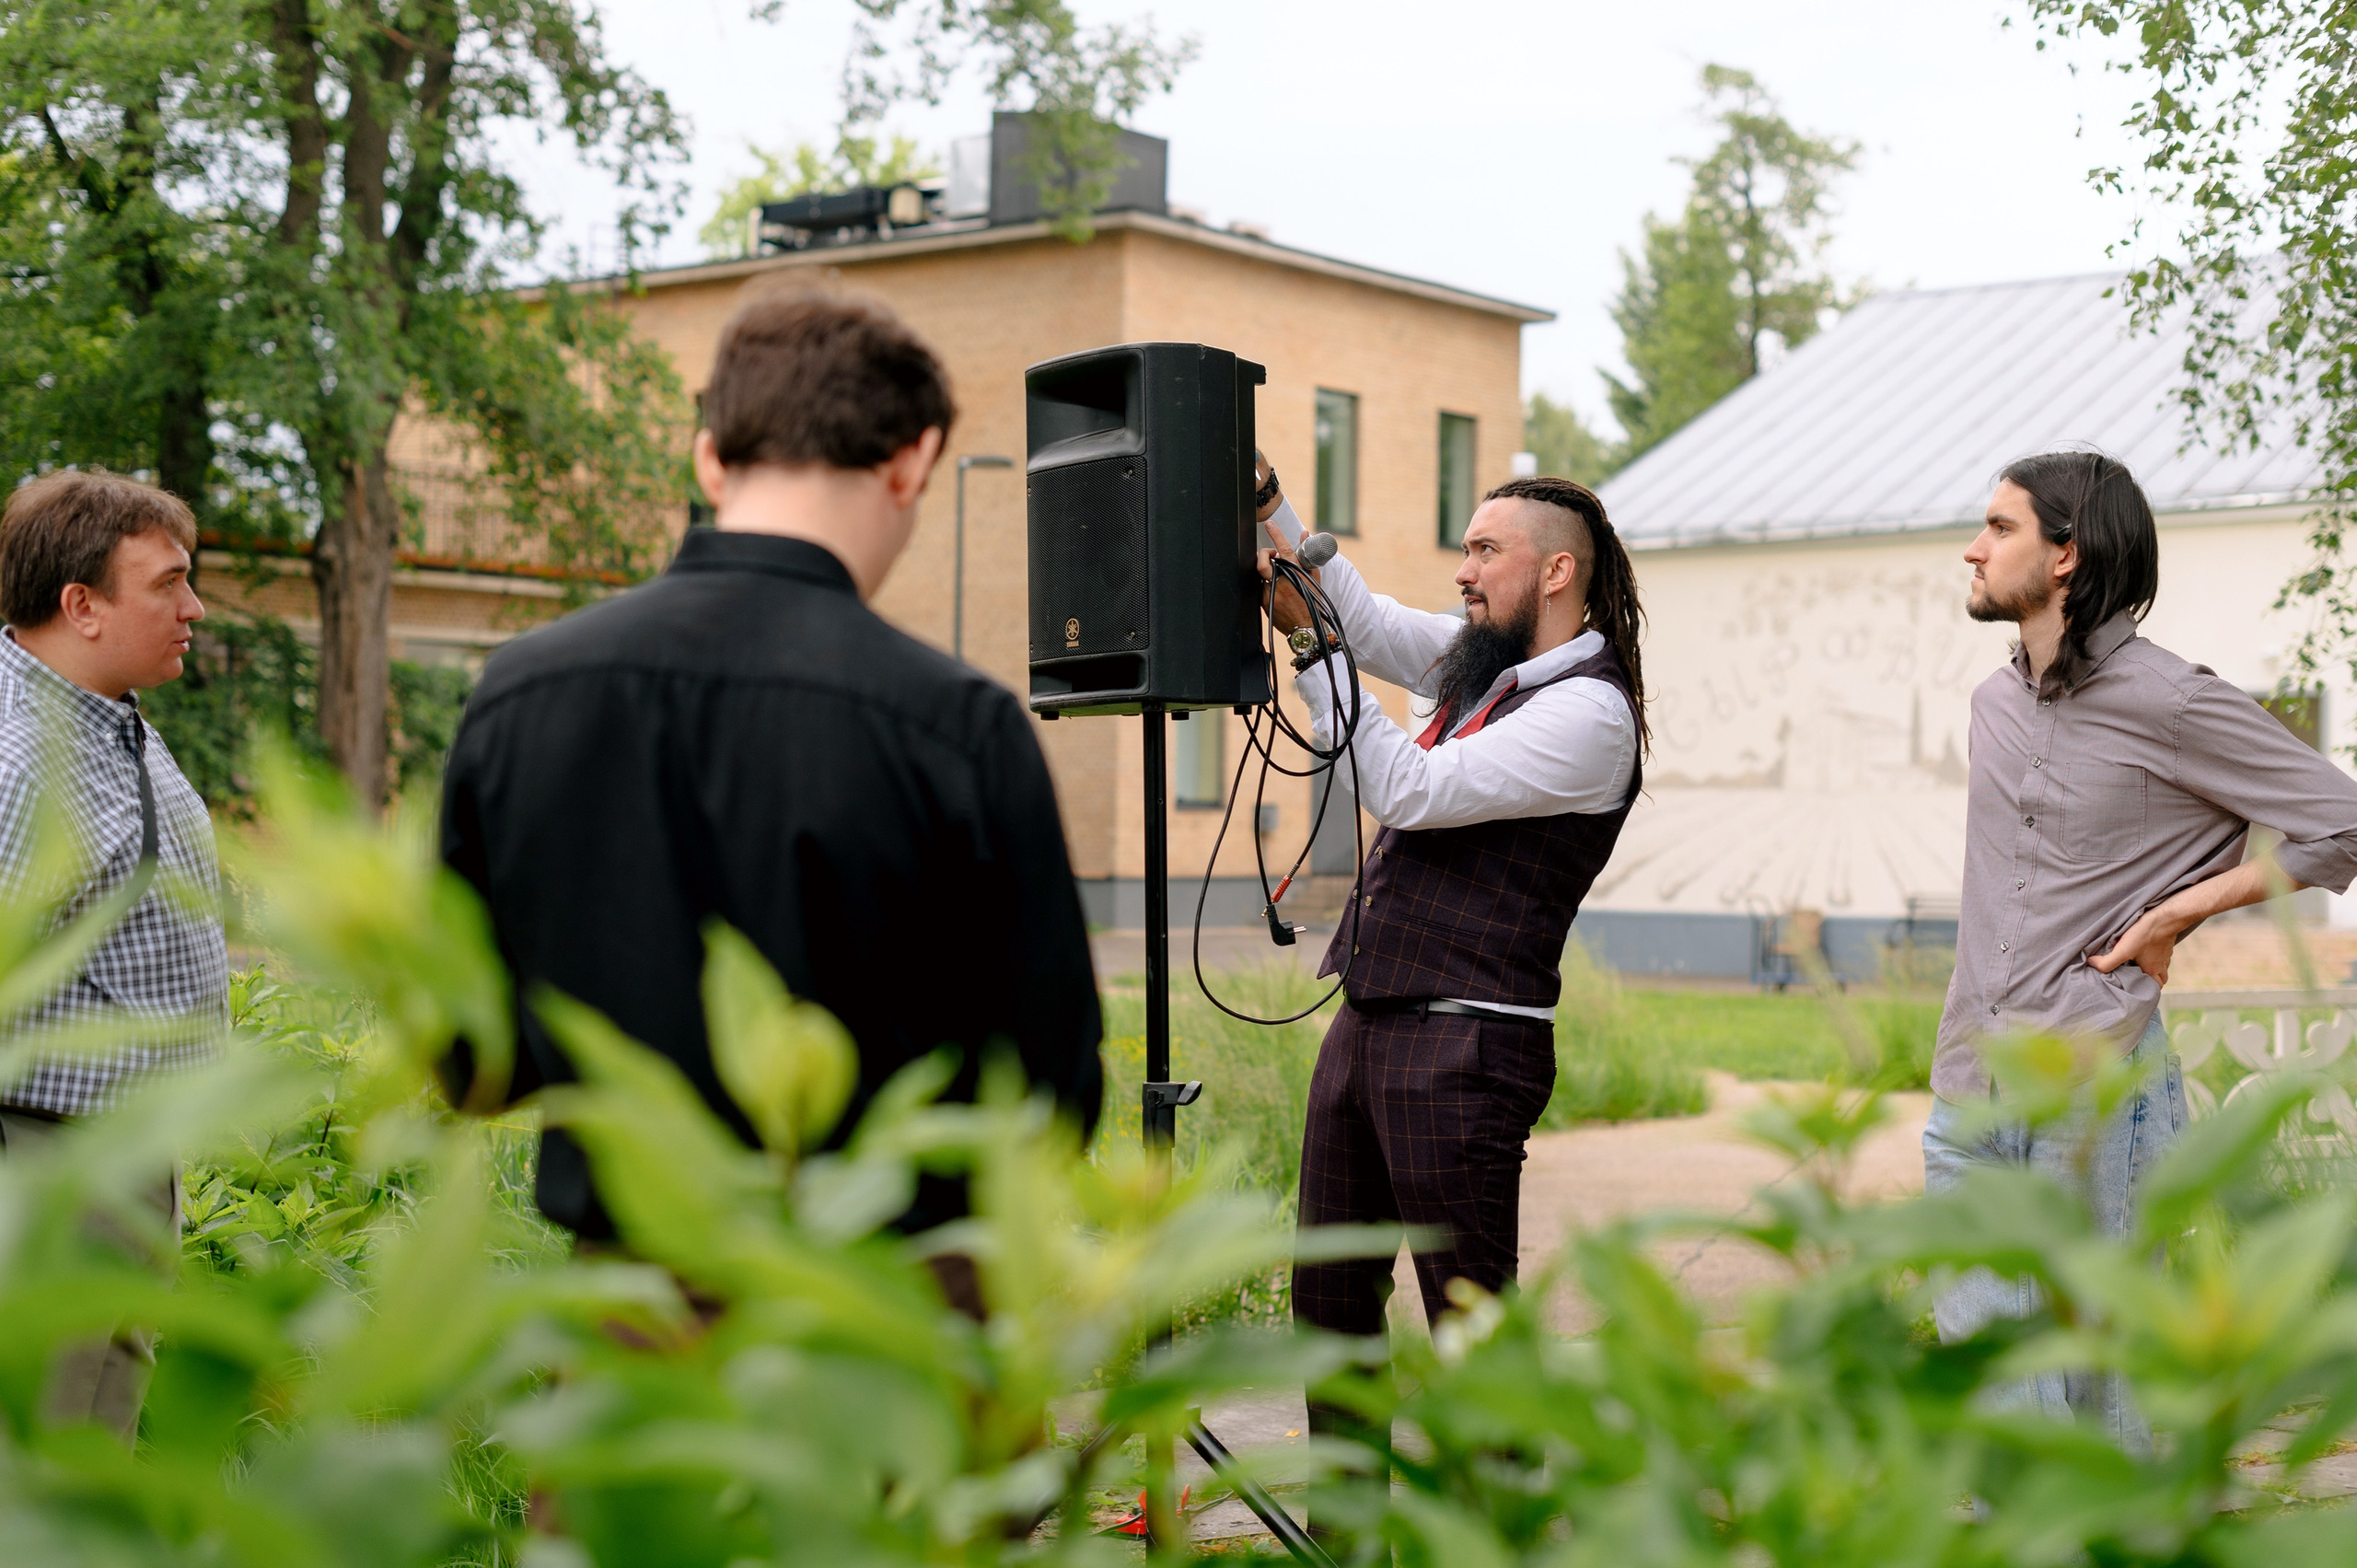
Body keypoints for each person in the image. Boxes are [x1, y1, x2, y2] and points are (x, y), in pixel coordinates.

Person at [438, 290, 1103, 1288]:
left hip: (631, 1318)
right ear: (914, 459)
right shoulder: (956, 724)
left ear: (709, 454)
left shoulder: (521, 690)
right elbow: (1050, 1095)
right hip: (894, 1316)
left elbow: (468, 1055)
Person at [1926, 449, 2357, 1448]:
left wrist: (2179, 911)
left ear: (2067, 555)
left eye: (1999, 529)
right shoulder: (1993, 706)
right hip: (1969, 1079)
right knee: (1985, 1365)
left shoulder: (2172, 699)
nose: (1972, 548)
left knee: (2099, 1384)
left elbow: (2341, 820)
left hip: (2096, 1086)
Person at [1256, 466, 1646, 1348]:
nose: (1463, 570)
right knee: (1329, 1308)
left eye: (1484, 550)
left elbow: (1410, 789)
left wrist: (1315, 654)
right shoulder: (1482, 664)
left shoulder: (1591, 712)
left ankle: (1496, 1494)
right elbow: (1364, 619)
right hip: (1369, 1021)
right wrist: (1268, 501)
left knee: (1470, 1334)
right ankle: (1349, 1496)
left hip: (1467, 1042)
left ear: (1555, 572)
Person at [0, 468, 227, 1439]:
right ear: (81, 604)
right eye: (167, 583)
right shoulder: (22, 761)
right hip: (61, 1153)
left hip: (120, 1149)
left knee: (99, 1430)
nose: (194, 605)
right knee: (55, 1456)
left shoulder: (100, 712)